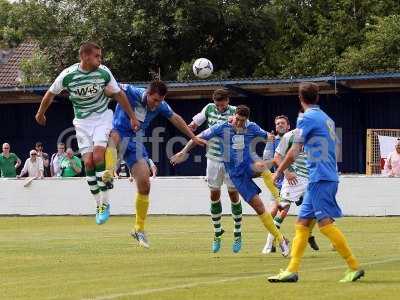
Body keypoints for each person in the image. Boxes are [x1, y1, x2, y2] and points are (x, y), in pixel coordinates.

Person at [268, 82, 364, 283]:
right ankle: (291, 270)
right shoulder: (325, 118)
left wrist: (279, 171)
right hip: (319, 176)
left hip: (320, 177)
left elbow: (294, 151)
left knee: (325, 224)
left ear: (300, 98)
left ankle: (354, 266)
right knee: (302, 224)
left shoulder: (306, 118)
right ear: (317, 97)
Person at [35, 41, 139, 225]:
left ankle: (106, 203)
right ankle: (98, 204)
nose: (100, 59)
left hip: (102, 118)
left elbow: (119, 94)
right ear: (84, 56)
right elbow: (50, 94)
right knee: (88, 163)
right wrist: (40, 113)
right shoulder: (68, 75)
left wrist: (132, 116)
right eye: (97, 56)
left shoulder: (104, 72)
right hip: (82, 122)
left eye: (101, 56)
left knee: (98, 157)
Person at [171, 105, 289, 257]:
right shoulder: (221, 127)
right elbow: (197, 138)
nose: (239, 123)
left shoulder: (251, 127)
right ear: (234, 116)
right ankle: (281, 240)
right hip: (236, 175)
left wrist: (272, 137)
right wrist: (183, 151)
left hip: (248, 165)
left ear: (247, 120)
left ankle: (278, 200)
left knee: (261, 165)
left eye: (242, 121)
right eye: (237, 119)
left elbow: (267, 136)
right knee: (259, 209)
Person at [110, 80, 205, 248]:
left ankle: (138, 229)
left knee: (145, 184)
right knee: (114, 136)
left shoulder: (161, 105)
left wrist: (193, 137)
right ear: (147, 93)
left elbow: (175, 118)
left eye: (160, 101)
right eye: (154, 100)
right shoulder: (131, 91)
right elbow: (109, 84)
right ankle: (107, 173)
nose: (156, 104)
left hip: (135, 142)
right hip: (117, 132)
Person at [186, 89, 243, 253]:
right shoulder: (209, 108)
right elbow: (195, 123)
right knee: (214, 194)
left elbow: (243, 132)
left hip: (231, 160)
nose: (219, 108)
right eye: (217, 105)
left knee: (233, 194)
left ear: (228, 101)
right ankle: (217, 233)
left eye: (222, 105)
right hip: (212, 158)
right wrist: (191, 126)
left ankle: (237, 233)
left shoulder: (236, 112)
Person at [262, 129, 319, 254]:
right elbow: (277, 157)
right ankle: (269, 244)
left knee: (315, 211)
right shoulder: (290, 136)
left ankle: (308, 235)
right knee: (283, 209)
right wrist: (286, 172)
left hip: (309, 179)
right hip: (293, 179)